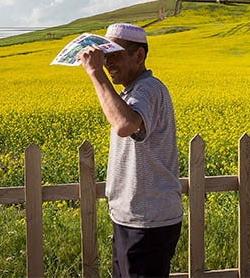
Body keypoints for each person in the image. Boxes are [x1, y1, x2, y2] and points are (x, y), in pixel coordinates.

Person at [77, 23, 182, 277]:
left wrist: (95, 73)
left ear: (139, 55)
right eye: (105, 55)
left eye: (115, 55)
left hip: (148, 221)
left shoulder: (149, 88)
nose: (108, 63)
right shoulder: (130, 93)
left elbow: (125, 125)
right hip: (135, 218)